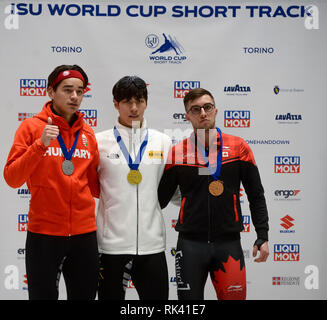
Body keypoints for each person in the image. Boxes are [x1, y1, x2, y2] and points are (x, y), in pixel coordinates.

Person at [158, 88, 269, 300]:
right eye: (196, 109)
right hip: (190, 245)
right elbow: (160, 200)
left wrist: (262, 235)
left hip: (228, 244)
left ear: (216, 110)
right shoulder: (177, 152)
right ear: (187, 116)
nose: (203, 113)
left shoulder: (238, 148)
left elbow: (256, 194)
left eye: (207, 107)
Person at [3, 65, 100, 300]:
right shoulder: (31, 128)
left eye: (80, 91)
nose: (75, 97)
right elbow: (12, 178)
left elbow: (95, 186)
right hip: (44, 234)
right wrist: (40, 146)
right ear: (50, 91)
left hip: (84, 235)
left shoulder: (87, 134)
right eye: (67, 90)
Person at [96, 76, 172, 300]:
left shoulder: (163, 142)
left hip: (152, 246)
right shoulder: (98, 142)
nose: (134, 108)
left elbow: (176, 190)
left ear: (146, 102)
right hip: (111, 247)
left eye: (139, 100)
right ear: (115, 104)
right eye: (127, 101)